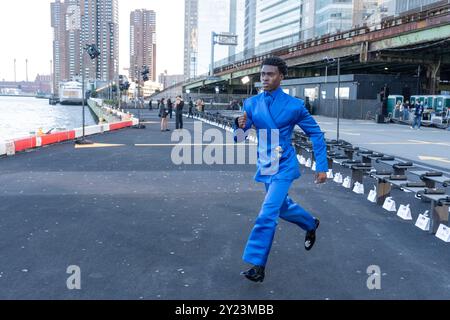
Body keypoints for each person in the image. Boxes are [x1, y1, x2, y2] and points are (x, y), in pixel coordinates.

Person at [234, 56, 328, 283]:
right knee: (283, 207)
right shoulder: (251, 104)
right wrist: (238, 125)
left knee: (268, 212)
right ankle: (310, 223)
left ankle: (258, 265)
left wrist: (322, 167)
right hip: (266, 163)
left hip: (284, 164)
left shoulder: (295, 106)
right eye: (262, 74)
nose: (265, 78)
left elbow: (316, 133)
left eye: (270, 74)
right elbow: (240, 138)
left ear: (281, 77)